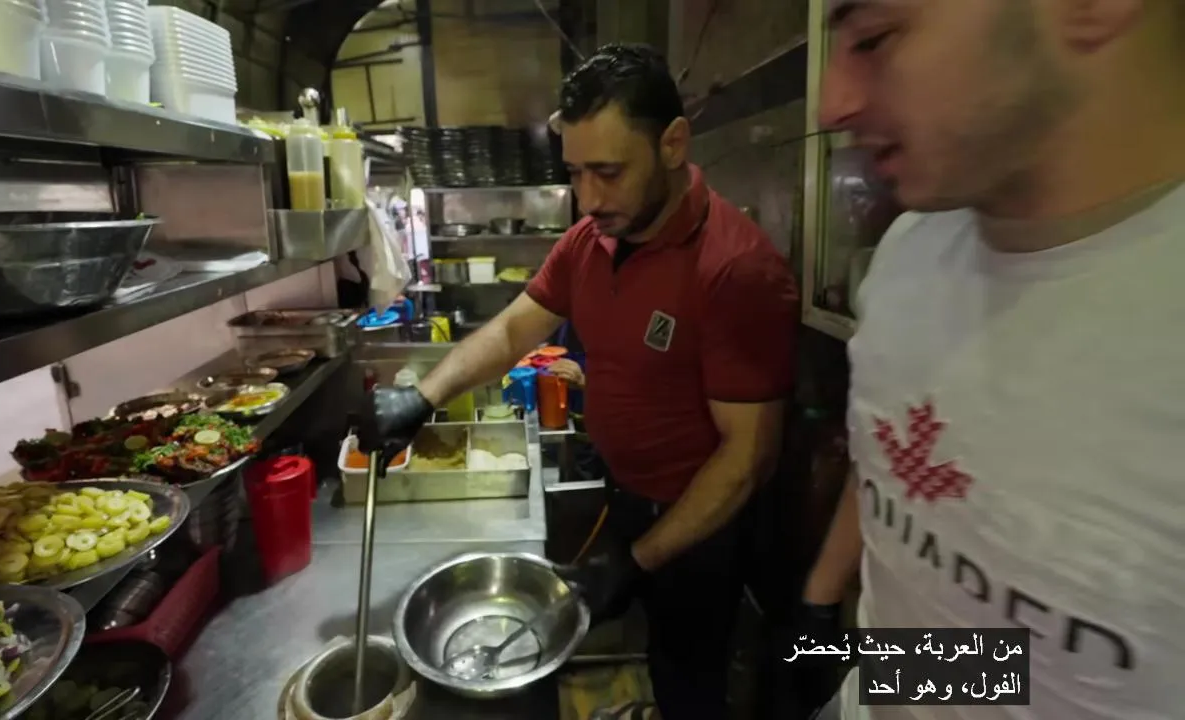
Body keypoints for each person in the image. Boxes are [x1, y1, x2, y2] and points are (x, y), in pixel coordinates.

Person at [359, 43, 798, 719]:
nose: (588, 199)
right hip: (627, 496)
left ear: (673, 144)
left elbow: (747, 459)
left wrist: (641, 559)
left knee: (690, 675)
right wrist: (423, 397)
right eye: (575, 173)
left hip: (700, 526)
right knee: (655, 653)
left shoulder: (736, 270)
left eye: (609, 172)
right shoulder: (592, 239)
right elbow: (515, 329)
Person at [802, 1, 1185, 718]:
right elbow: (1018, 662)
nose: (833, 104)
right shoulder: (913, 254)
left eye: (876, 37)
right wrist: (835, 621)